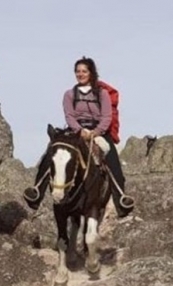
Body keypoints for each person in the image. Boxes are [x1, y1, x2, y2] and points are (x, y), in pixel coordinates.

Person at [23, 57, 134, 217]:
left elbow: (106, 116)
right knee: (52, 153)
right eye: (78, 71)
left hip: (99, 131)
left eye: (84, 71)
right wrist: (79, 130)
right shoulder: (69, 94)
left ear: (91, 73)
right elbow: (69, 116)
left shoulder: (102, 94)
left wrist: (96, 132)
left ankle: (121, 199)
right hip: (75, 131)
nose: (80, 74)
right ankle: (37, 192)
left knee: (112, 161)